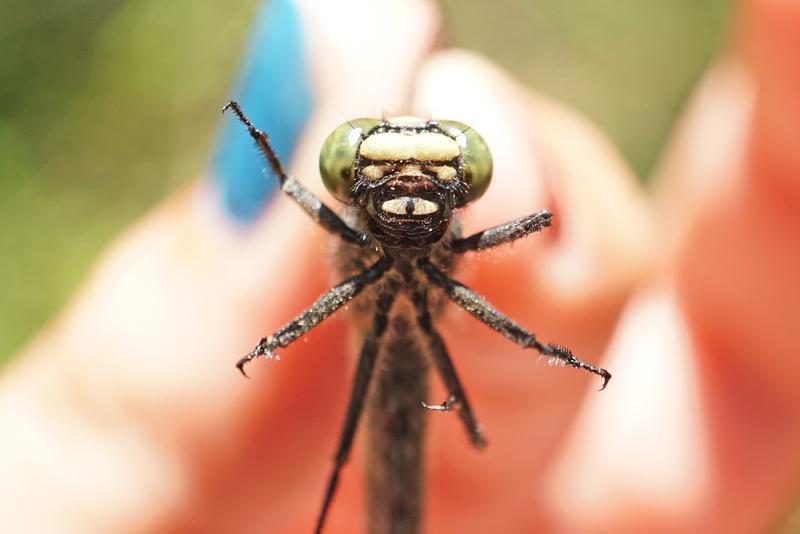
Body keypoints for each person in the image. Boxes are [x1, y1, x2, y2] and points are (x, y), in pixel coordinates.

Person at [2, 0, 798, 532]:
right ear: (351, 189)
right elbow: (295, 193)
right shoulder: (380, 251)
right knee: (371, 399)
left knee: (451, 351)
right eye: (373, 171)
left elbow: (500, 252)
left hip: (415, 328)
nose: (408, 184)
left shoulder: (443, 251)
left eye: (445, 173)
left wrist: (548, 229)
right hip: (383, 334)